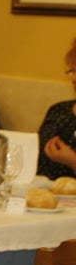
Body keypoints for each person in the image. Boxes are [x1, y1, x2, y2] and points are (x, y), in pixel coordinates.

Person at [37, 37, 76, 179]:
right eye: (72, 71)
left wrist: (73, 161)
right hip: (42, 196)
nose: (73, 79)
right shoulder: (58, 110)